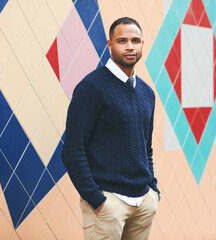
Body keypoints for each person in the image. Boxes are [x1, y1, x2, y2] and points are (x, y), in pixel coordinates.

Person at [61, 17, 160, 240]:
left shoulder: (147, 93)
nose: (130, 47)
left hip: (143, 202)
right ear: (109, 44)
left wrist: (152, 190)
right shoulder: (91, 88)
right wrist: (95, 199)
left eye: (135, 41)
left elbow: (147, 148)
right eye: (122, 40)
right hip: (108, 204)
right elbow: (72, 150)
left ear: (142, 44)